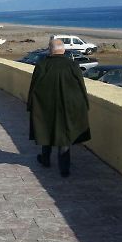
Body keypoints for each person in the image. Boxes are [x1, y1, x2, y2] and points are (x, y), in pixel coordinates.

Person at [27, 39, 91, 177]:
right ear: (63, 50)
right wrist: (84, 104)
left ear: (50, 49)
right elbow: (81, 86)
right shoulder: (73, 65)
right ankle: (64, 168)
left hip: (46, 106)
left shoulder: (42, 65)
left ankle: (45, 160)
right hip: (68, 106)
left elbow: (34, 87)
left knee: (46, 132)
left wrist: (31, 105)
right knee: (64, 137)